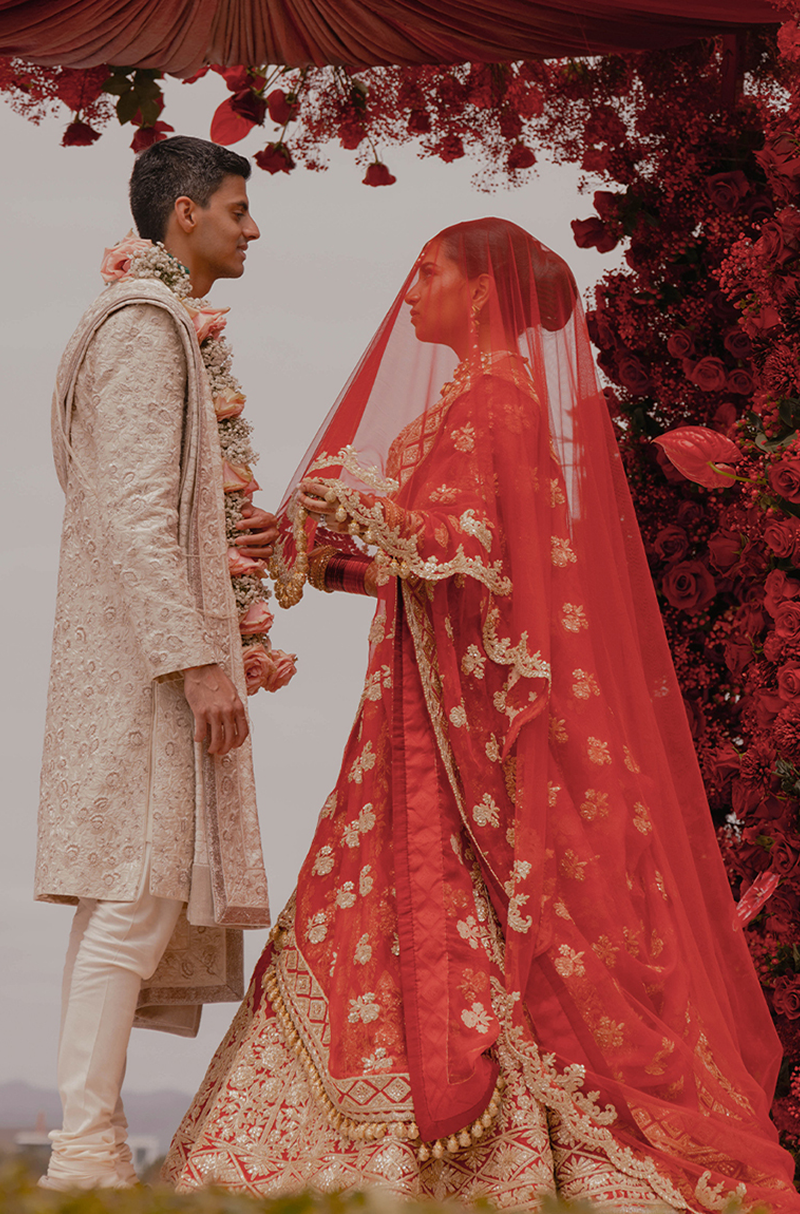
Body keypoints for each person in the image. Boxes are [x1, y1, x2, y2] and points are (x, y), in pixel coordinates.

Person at [163, 219, 799, 1209]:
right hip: (420, 719)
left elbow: (459, 550)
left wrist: (338, 491)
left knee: (451, 920)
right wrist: (311, 543)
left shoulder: (492, 405)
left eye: (427, 273)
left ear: (484, 291)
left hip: (456, 738)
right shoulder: (474, 406)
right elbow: (428, 565)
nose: (407, 294)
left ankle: (436, 1165)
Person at [36, 135, 284, 1190]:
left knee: (131, 901)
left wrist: (243, 539)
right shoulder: (143, 329)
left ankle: (83, 1151)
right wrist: (196, 660)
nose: (252, 227)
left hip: (147, 655)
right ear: (184, 214)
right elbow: (136, 519)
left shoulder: (157, 325)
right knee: (130, 898)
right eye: (236, 208)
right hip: (145, 670)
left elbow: (167, 510)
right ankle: (84, 1154)